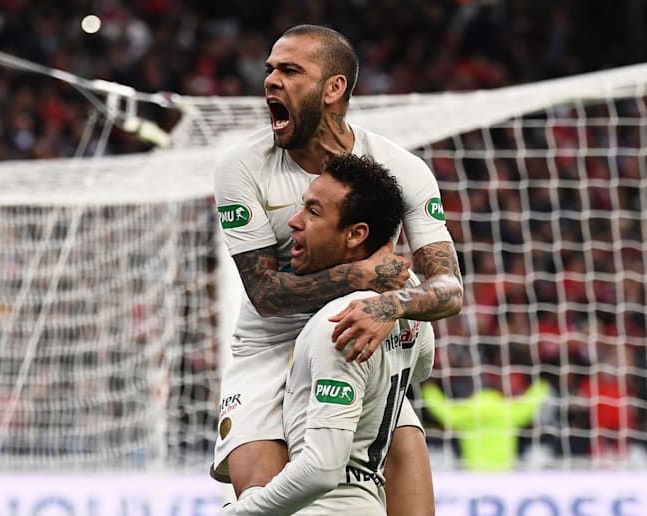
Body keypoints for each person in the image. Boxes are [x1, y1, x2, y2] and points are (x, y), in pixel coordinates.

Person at [212, 24, 463, 515]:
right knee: (277, 506)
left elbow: (449, 288)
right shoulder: (241, 166)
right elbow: (266, 294)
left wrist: (389, 303)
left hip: (359, 343)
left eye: (289, 70)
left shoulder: (399, 168)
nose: (270, 81)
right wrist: (366, 277)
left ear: (334, 88)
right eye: (269, 70)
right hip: (270, 349)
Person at [220, 153, 437, 514]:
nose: (293, 222)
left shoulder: (342, 325)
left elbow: (320, 470)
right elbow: (423, 363)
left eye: (313, 212)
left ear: (356, 234)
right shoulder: (408, 301)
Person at [421, 376, 551, 471]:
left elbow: (442, 410)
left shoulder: (467, 412)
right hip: (505, 472)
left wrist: (428, 388)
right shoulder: (507, 411)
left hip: (474, 471)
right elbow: (529, 405)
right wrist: (543, 383)